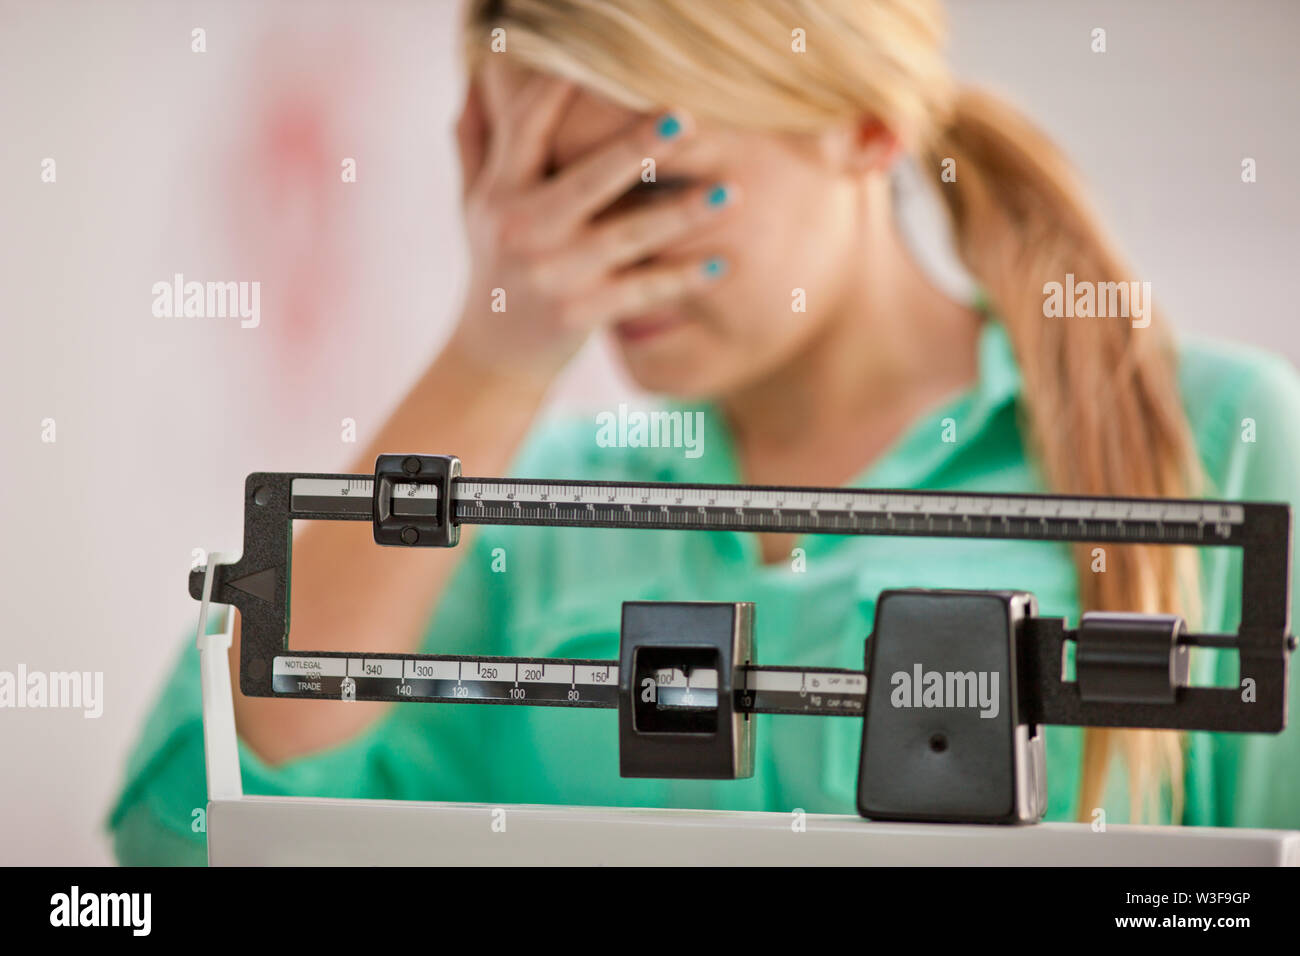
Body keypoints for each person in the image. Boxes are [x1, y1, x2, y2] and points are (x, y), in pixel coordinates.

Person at [109, 0, 1300, 864]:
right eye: (530, 194)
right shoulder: (537, 517)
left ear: (866, 126)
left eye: (653, 188)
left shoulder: (1212, 437)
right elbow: (183, 831)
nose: (580, 263)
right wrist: (491, 350)